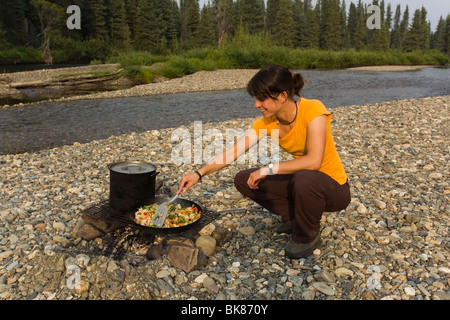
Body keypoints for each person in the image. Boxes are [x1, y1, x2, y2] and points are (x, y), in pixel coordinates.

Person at [177, 64, 351, 258]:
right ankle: (296, 216)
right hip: (305, 182)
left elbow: (314, 162)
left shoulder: (313, 109)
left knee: (304, 177)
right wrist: (198, 173)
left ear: (283, 96)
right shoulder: (267, 123)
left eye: (262, 99)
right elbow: (232, 152)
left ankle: (307, 235)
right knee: (244, 179)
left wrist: (268, 169)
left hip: (334, 189)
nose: (256, 105)